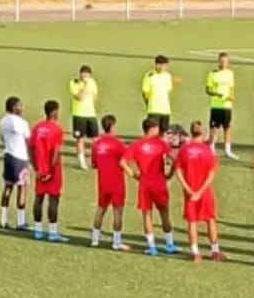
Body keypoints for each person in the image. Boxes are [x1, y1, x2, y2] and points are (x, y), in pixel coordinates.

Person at [123, 117, 178, 256]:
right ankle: (170, 244)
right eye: (157, 127)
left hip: (145, 183)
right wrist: (170, 174)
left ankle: (152, 247)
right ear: (152, 129)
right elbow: (175, 160)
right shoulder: (161, 144)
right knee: (164, 213)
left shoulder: (136, 145)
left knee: (147, 215)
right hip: (159, 182)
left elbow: (122, 162)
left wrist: (134, 175)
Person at [174, 121, 224, 262]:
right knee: (210, 220)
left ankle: (195, 252)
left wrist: (188, 189)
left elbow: (178, 171)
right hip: (205, 192)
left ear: (191, 132)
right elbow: (211, 174)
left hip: (190, 192)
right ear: (202, 133)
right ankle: (215, 251)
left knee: (192, 222)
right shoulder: (207, 150)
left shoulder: (184, 150)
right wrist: (201, 191)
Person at [90, 115, 130, 251]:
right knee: (118, 211)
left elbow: (94, 164)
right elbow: (125, 161)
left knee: (100, 209)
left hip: (103, 182)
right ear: (112, 126)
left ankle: (95, 239)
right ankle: (116, 242)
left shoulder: (96, 144)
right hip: (117, 182)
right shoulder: (118, 144)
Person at [29, 100, 66, 243]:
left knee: (39, 198)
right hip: (52, 170)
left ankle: (38, 231)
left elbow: (30, 149)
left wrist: (36, 168)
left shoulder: (37, 128)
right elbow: (56, 152)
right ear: (55, 112)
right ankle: (52, 232)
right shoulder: (57, 129)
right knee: (53, 199)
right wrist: (51, 170)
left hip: (40, 169)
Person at [0, 96, 32, 231]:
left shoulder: (3, 121)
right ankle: (20, 221)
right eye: (19, 105)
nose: (21, 108)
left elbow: (2, 137)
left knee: (8, 186)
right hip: (20, 157)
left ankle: (3, 219)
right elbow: (28, 139)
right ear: (14, 107)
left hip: (8, 155)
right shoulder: (21, 122)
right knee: (22, 187)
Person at [204, 52, 238, 159]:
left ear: (228, 62)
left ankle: (228, 151)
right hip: (216, 106)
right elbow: (207, 90)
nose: (224, 63)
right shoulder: (212, 74)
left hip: (227, 106)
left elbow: (231, 88)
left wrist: (231, 96)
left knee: (227, 128)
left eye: (226, 61)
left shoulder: (230, 73)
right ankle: (211, 149)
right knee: (214, 128)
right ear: (218, 61)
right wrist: (216, 94)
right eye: (222, 61)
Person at [69, 64, 100, 170]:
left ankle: (95, 160)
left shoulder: (93, 82)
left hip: (91, 114)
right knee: (80, 139)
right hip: (79, 114)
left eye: (87, 75)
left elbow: (95, 97)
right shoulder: (74, 82)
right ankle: (82, 162)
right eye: (83, 74)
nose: (85, 77)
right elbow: (79, 97)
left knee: (95, 139)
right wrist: (85, 85)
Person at [141, 55, 175, 134]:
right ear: (157, 64)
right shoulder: (149, 76)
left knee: (163, 133)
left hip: (165, 110)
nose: (164, 67)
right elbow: (145, 93)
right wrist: (149, 104)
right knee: (152, 132)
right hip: (154, 110)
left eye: (165, 65)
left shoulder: (168, 76)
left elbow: (168, 91)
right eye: (162, 65)